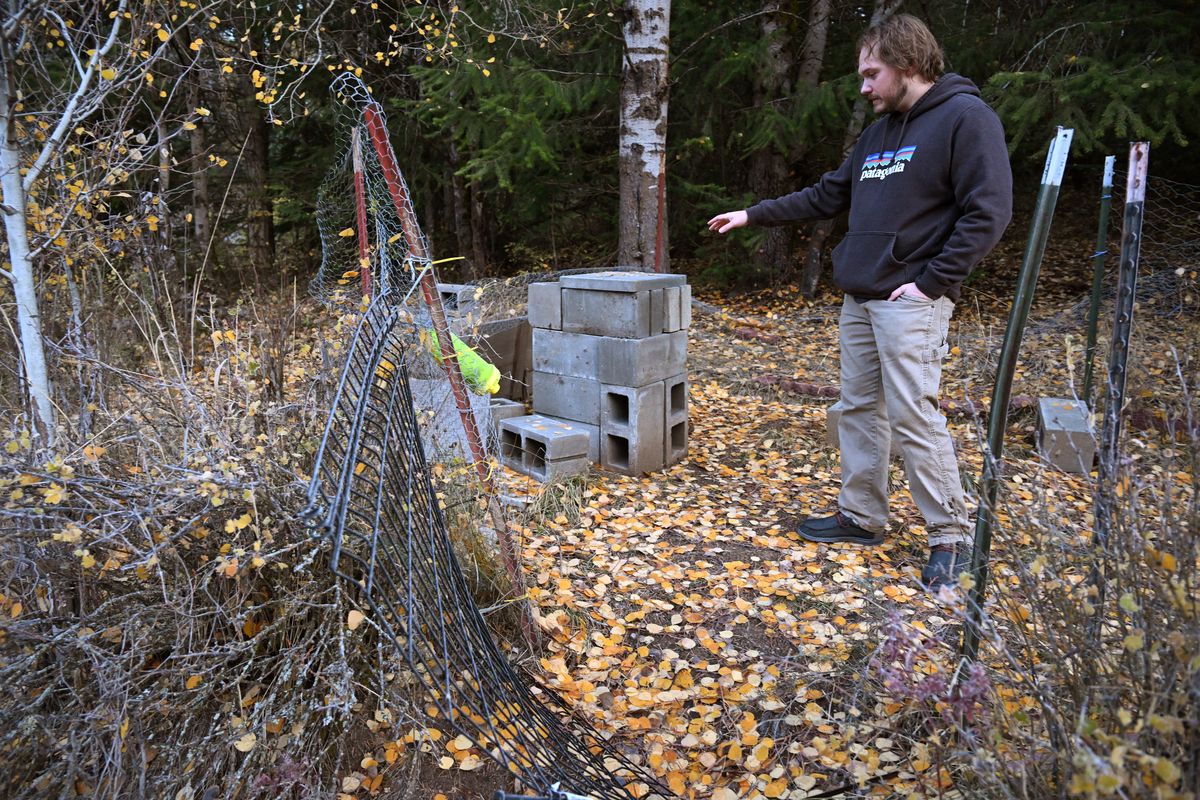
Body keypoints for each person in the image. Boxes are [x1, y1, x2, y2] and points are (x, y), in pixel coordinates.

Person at [707, 13, 1012, 591]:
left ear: (909, 64)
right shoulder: (877, 134)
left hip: (910, 300)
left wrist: (931, 283)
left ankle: (951, 537)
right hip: (861, 297)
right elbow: (830, 194)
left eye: (872, 74)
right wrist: (754, 213)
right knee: (857, 410)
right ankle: (862, 516)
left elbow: (989, 211)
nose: (865, 87)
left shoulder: (966, 118)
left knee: (913, 415)